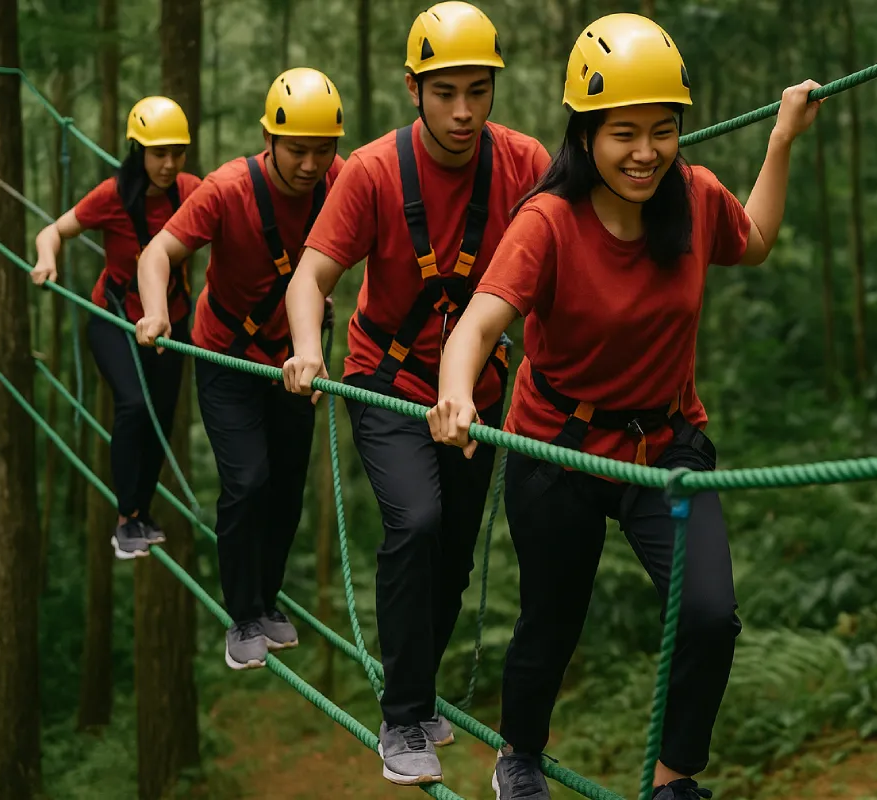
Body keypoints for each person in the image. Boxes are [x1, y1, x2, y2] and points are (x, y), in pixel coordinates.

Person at [426, 13, 823, 800]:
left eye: (663, 130)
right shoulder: (547, 222)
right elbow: (478, 323)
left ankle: (674, 781)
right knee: (552, 618)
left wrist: (780, 142)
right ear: (584, 135)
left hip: (664, 445)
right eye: (624, 133)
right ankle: (521, 756)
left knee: (710, 616)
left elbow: (758, 242)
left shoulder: (697, 198)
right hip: (557, 447)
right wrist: (454, 393)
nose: (646, 152)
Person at [282, 1, 549, 785]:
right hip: (387, 379)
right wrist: (305, 350)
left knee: (456, 558)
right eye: (445, 93)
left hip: (482, 389)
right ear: (413, 89)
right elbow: (312, 277)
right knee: (418, 522)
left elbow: (587, 205)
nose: (463, 111)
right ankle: (402, 721)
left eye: (478, 90)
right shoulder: (370, 172)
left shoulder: (526, 163)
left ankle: (418, 691)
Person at [135, 67, 346, 672]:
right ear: (269, 139)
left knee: (285, 494)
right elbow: (158, 254)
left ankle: (269, 598)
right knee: (248, 481)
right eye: (298, 150)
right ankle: (243, 615)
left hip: (293, 361)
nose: (311, 164)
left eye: (323, 149)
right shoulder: (228, 188)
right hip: (225, 354)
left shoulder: (338, 182)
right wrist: (155, 312)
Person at [32, 96, 200, 561]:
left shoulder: (190, 191)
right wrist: (48, 261)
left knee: (162, 417)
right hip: (116, 320)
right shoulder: (111, 195)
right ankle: (126, 519)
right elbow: (53, 231)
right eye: (158, 153)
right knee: (133, 405)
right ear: (137, 150)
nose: (168, 164)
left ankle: (143, 512)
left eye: (177, 152)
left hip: (171, 323)